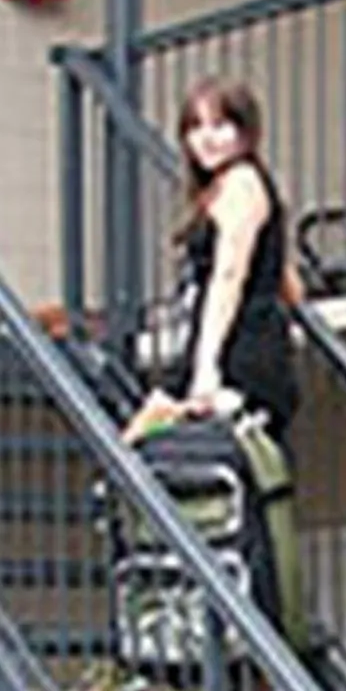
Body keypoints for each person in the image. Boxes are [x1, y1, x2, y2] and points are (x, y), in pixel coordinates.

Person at [133, 77, 302, 443]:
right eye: (195, 126)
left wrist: (206, 367)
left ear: (245, 131)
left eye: (221, 125)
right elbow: (288, 282)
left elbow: (228, 276)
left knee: (203, 469)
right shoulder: (227, 188)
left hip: (237, 351)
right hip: (234, 344)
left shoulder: (242, 183)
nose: (206, 138)